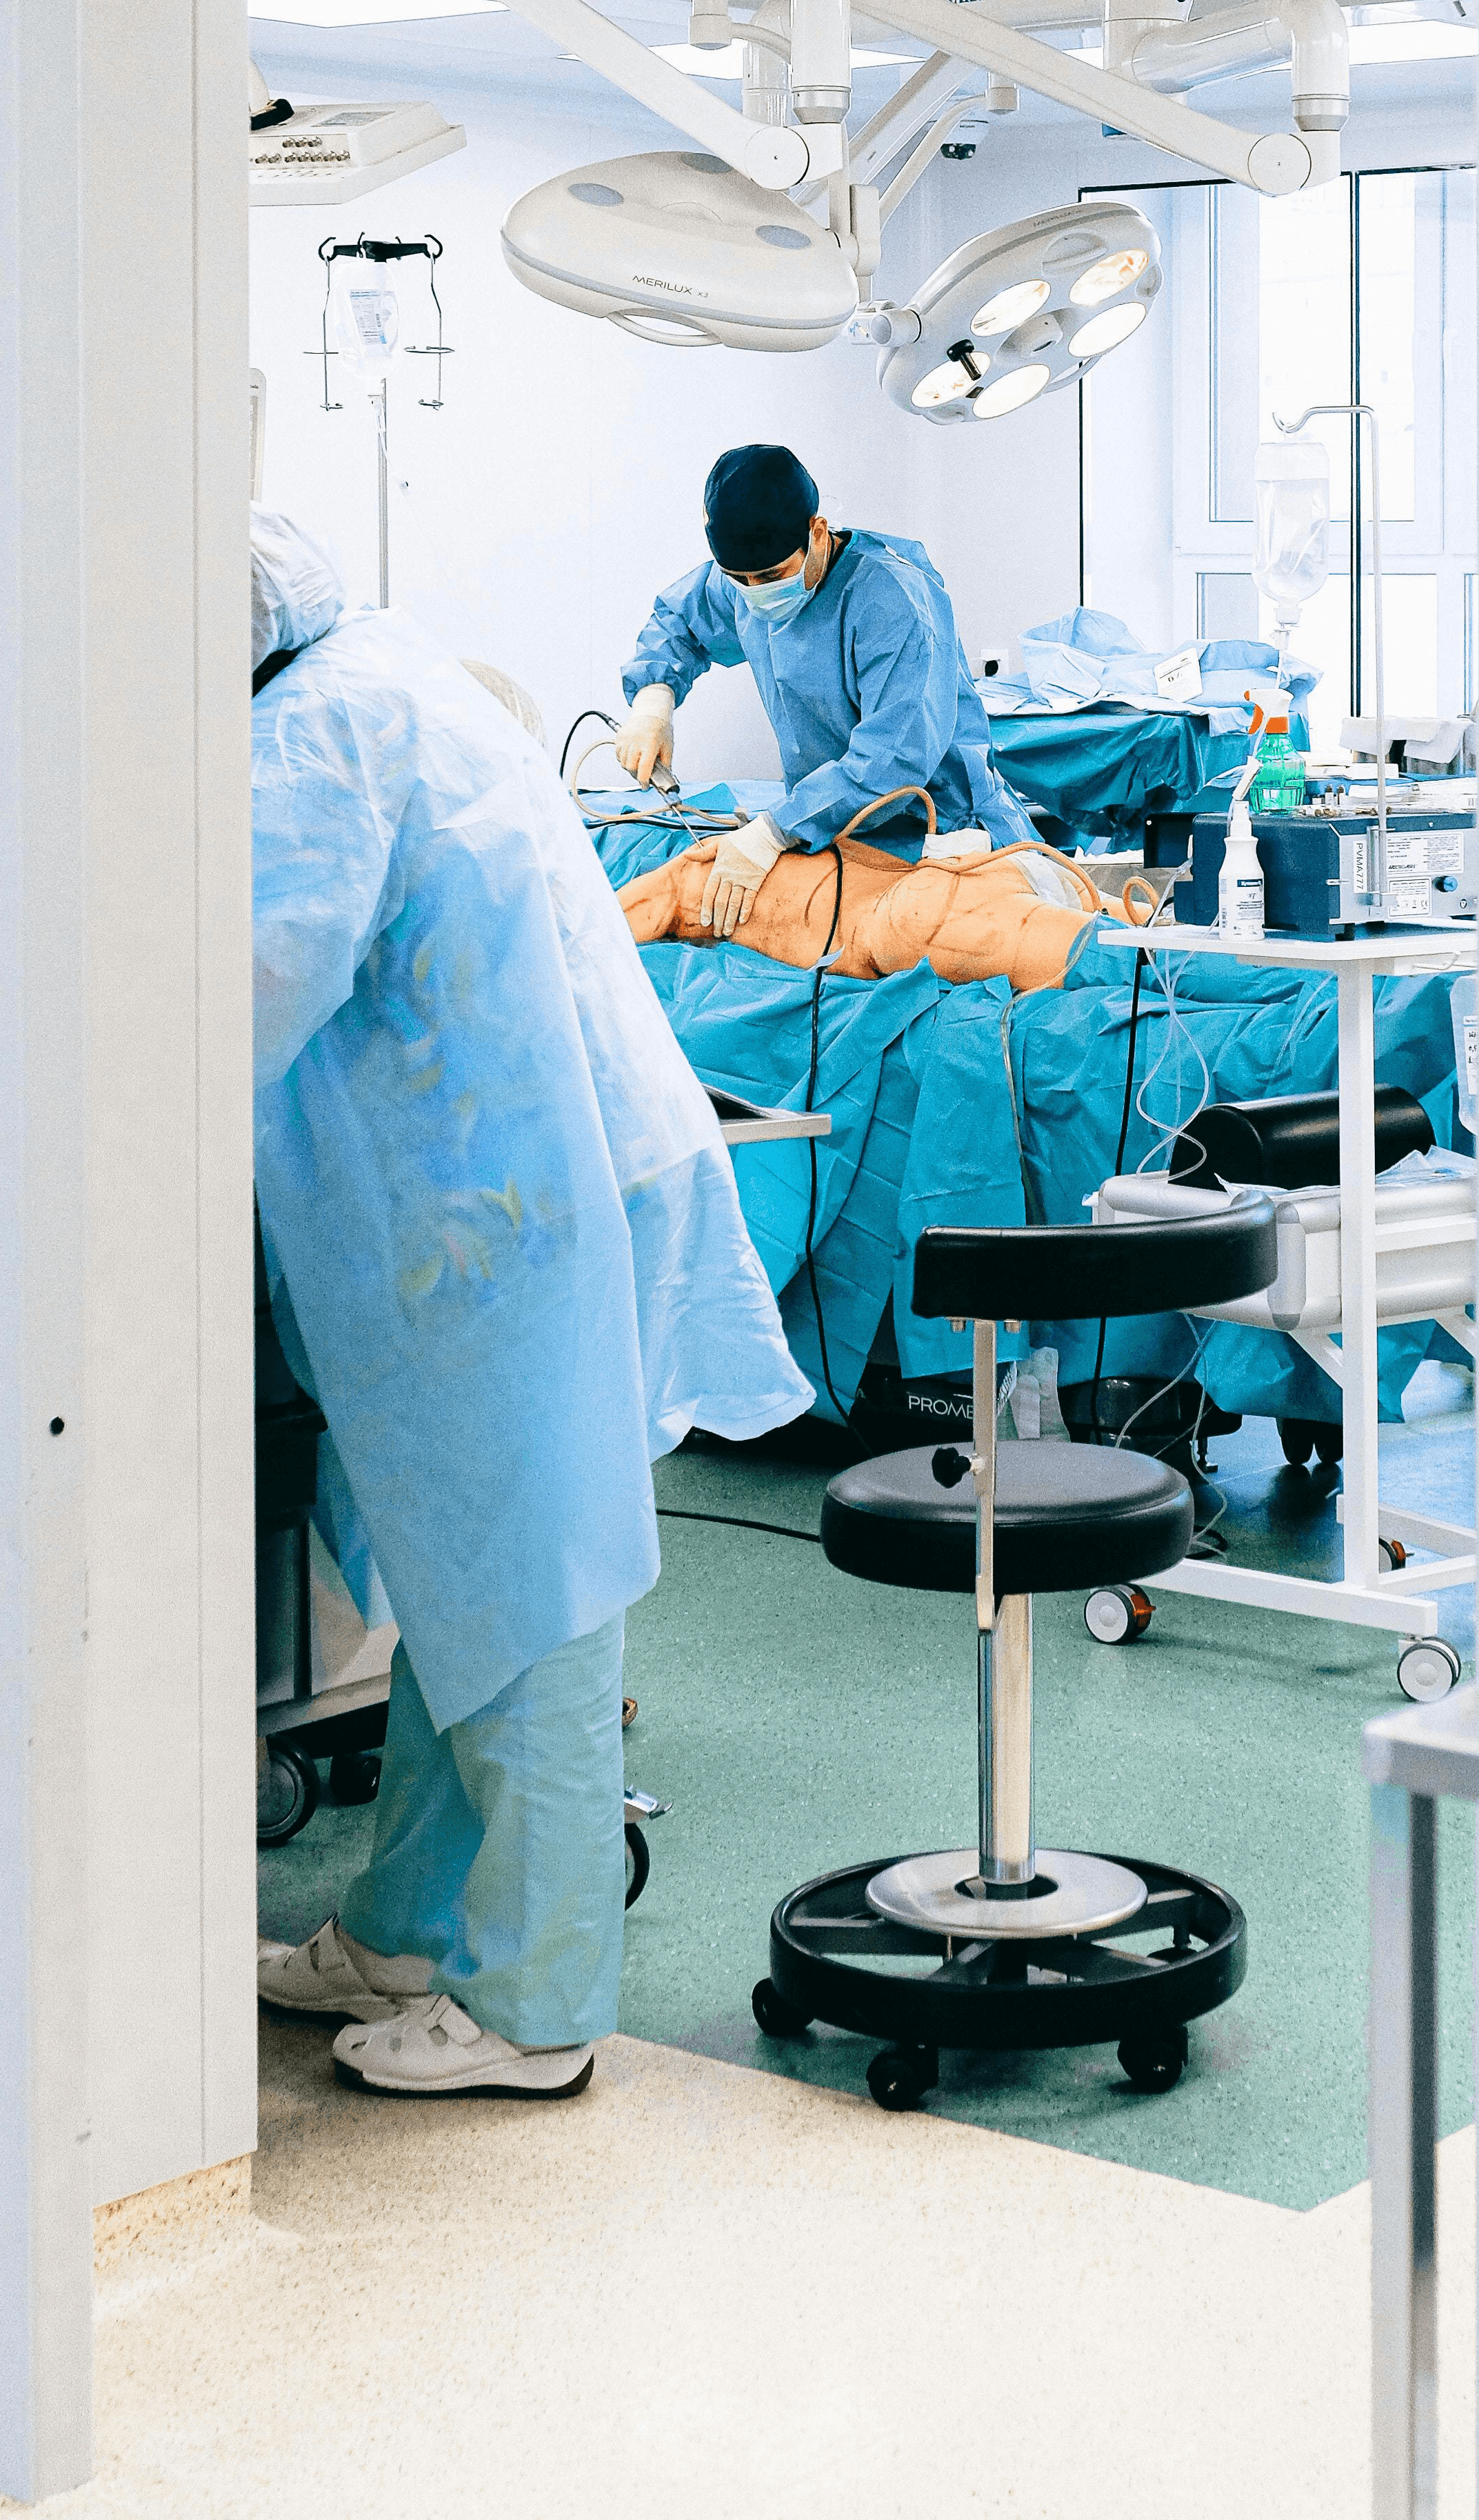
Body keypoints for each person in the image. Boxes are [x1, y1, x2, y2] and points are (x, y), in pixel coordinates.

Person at [246, 508, 810, 2098]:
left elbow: (227, 989)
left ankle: (537, 2003)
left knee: (537, 1595)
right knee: (468, 1579)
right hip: (537, 1173)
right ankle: (406, 1926)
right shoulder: (381, 664)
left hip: (501, 1203)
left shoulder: (308, 741)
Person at [614, 443, 1035, 937]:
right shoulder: (744, 581)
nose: (754, 592)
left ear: (818, 532)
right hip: (827, 830)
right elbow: (681, 621)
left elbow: (893, 758)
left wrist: (776, 831)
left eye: (771, 576)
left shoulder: (892, 599)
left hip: (938, 832)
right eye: (739, 578)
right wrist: (652, 705)